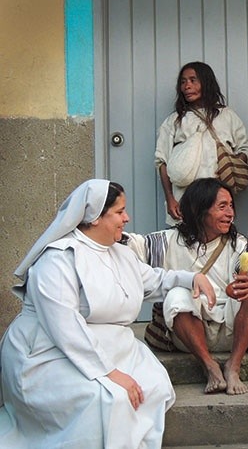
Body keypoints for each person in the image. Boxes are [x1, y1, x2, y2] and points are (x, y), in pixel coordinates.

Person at [0, 179, 214, 448]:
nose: (127, 218)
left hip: (110, 348)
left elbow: (154, 280)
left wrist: (191, 278)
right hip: (47, 353)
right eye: (119, 211)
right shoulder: (57, 260)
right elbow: (65, 328)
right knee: (106, 398)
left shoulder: (120, 253)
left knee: (154, 387)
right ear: (94, 217)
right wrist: (110, 373)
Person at [126, 178, 248, 395]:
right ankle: (209, 365)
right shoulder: (167, 242)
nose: (230, 213)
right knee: (176, 295)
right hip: (189, 335)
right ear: (198, 209)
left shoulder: (237, 245)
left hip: (232, 334)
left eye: (231, 206)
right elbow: (130, 245)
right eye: (222, 207)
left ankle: (233, 366)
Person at [155, 61, 248, 226]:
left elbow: (246, 149)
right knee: (185, 244)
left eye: (193, 80)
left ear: (206, 82)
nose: (187, 86)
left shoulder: (227, 116)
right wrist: (170, 199)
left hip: (217, 199)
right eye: (183, 81)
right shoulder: (174, 121)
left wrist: (230, 165)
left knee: (216, 240)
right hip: (185, 199)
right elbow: (161, 162)